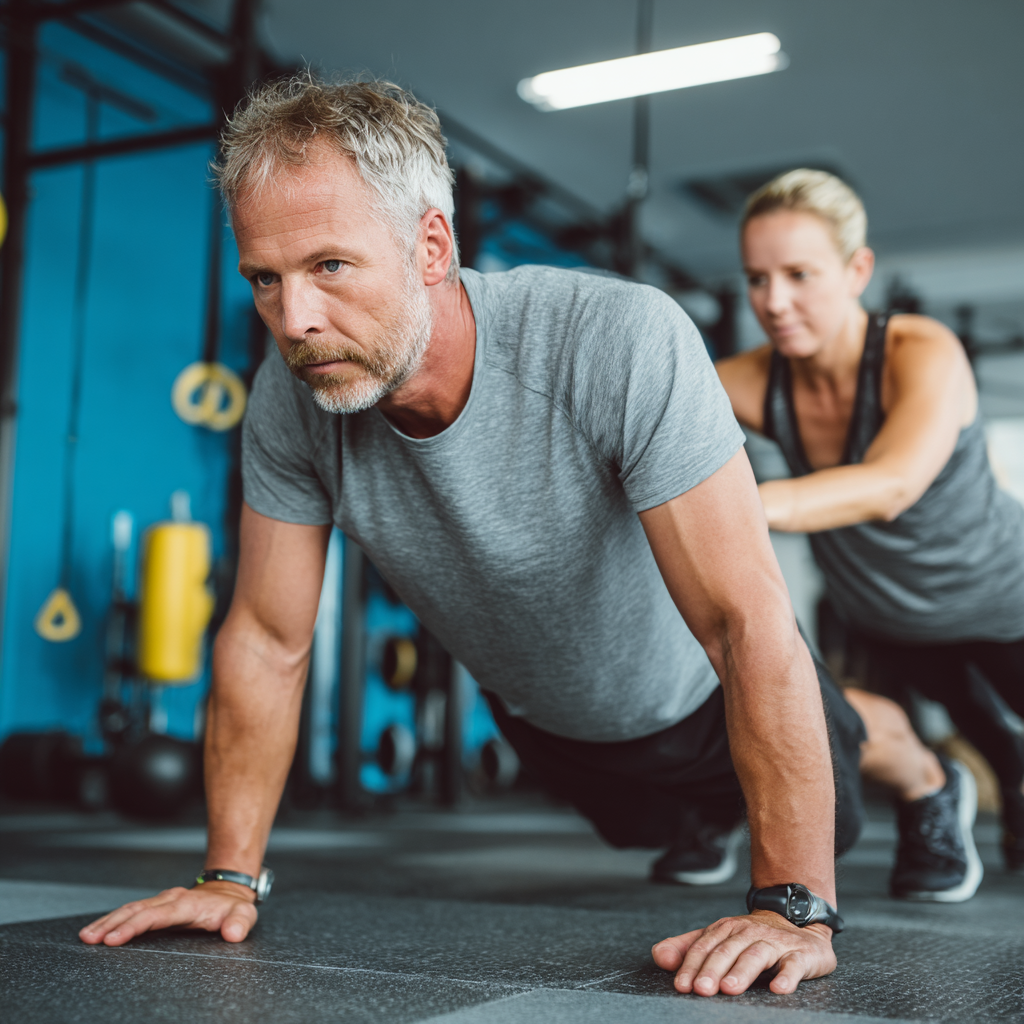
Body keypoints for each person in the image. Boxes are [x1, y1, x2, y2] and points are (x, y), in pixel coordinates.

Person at [81, 79, 960, 997]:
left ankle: (933, 782)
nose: (295, 319)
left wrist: (795, 903)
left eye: (330, 266)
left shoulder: (617, 339)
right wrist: (227, 877)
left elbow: (746, 623)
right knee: (648, 829)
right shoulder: (290, 399)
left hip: (708, 690)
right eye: (266, 278)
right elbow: (266, 638)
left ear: (431, 246)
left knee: (853, 764)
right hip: (559, 724)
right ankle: (707, 815)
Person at [717, 168, 1024, 877]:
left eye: (799, 274)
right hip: (892, 615)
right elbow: (651, 408)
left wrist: (737, 510)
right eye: (757, 279)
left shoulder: (921, 352)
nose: (775, 301)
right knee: (991, 741)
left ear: (858, 270)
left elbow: (891, 485)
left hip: (1001, 596)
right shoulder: (753, 380)